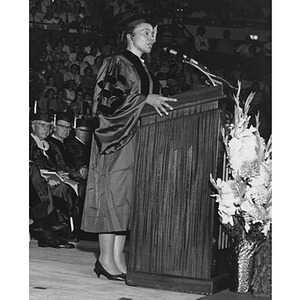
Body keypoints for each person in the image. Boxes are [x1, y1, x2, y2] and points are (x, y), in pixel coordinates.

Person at [81, 15, 177, 281]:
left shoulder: (144, 68)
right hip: (116, 141)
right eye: (145, 32)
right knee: (113, 195)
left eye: (153, 34)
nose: (151, 38)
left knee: (127, 199)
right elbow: (105, 104)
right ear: (129, 36)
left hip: (138, 141)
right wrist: (146, 98)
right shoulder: (117, 63)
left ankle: (118, 258)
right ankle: (104, 258)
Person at [30, 113, 78, 247]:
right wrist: (44, 176)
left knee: (64, 189)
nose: (46, 129)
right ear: (33, 126)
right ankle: (48, 232)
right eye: (42, 125)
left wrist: (59, 174)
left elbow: (61, 164)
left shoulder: (51, 146)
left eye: (48, 126)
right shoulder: (28, 142)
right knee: (50, 187)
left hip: (53, 181)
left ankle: (61, 229)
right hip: (33, 182)